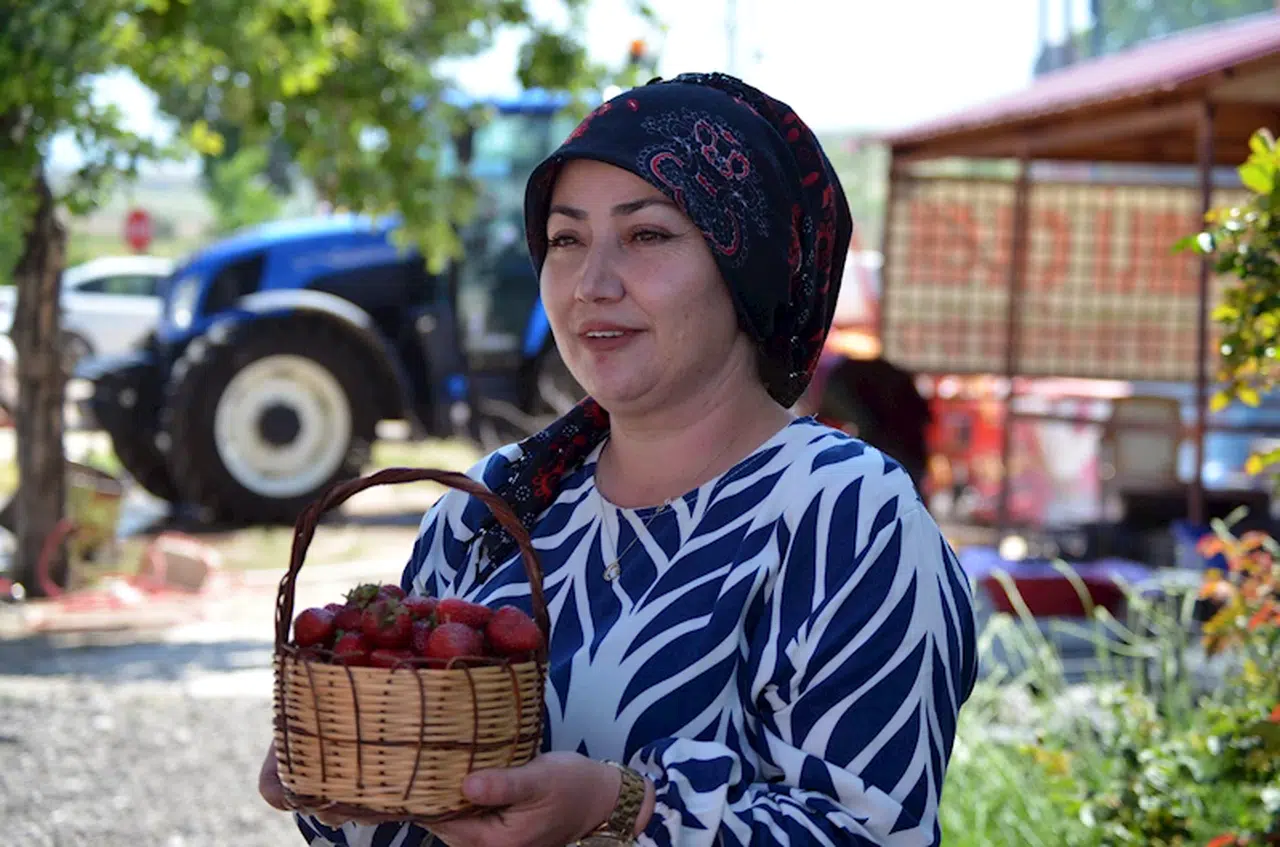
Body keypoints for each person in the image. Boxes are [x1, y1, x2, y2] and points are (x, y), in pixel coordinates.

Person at [259, 71, 979, 847]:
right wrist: (345, 775)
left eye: (647, 235)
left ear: (746, 264)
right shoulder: (491, 507)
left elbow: (874, 833)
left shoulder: (847, 516)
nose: (591, 284)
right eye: (566, 240)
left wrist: (624, 807)